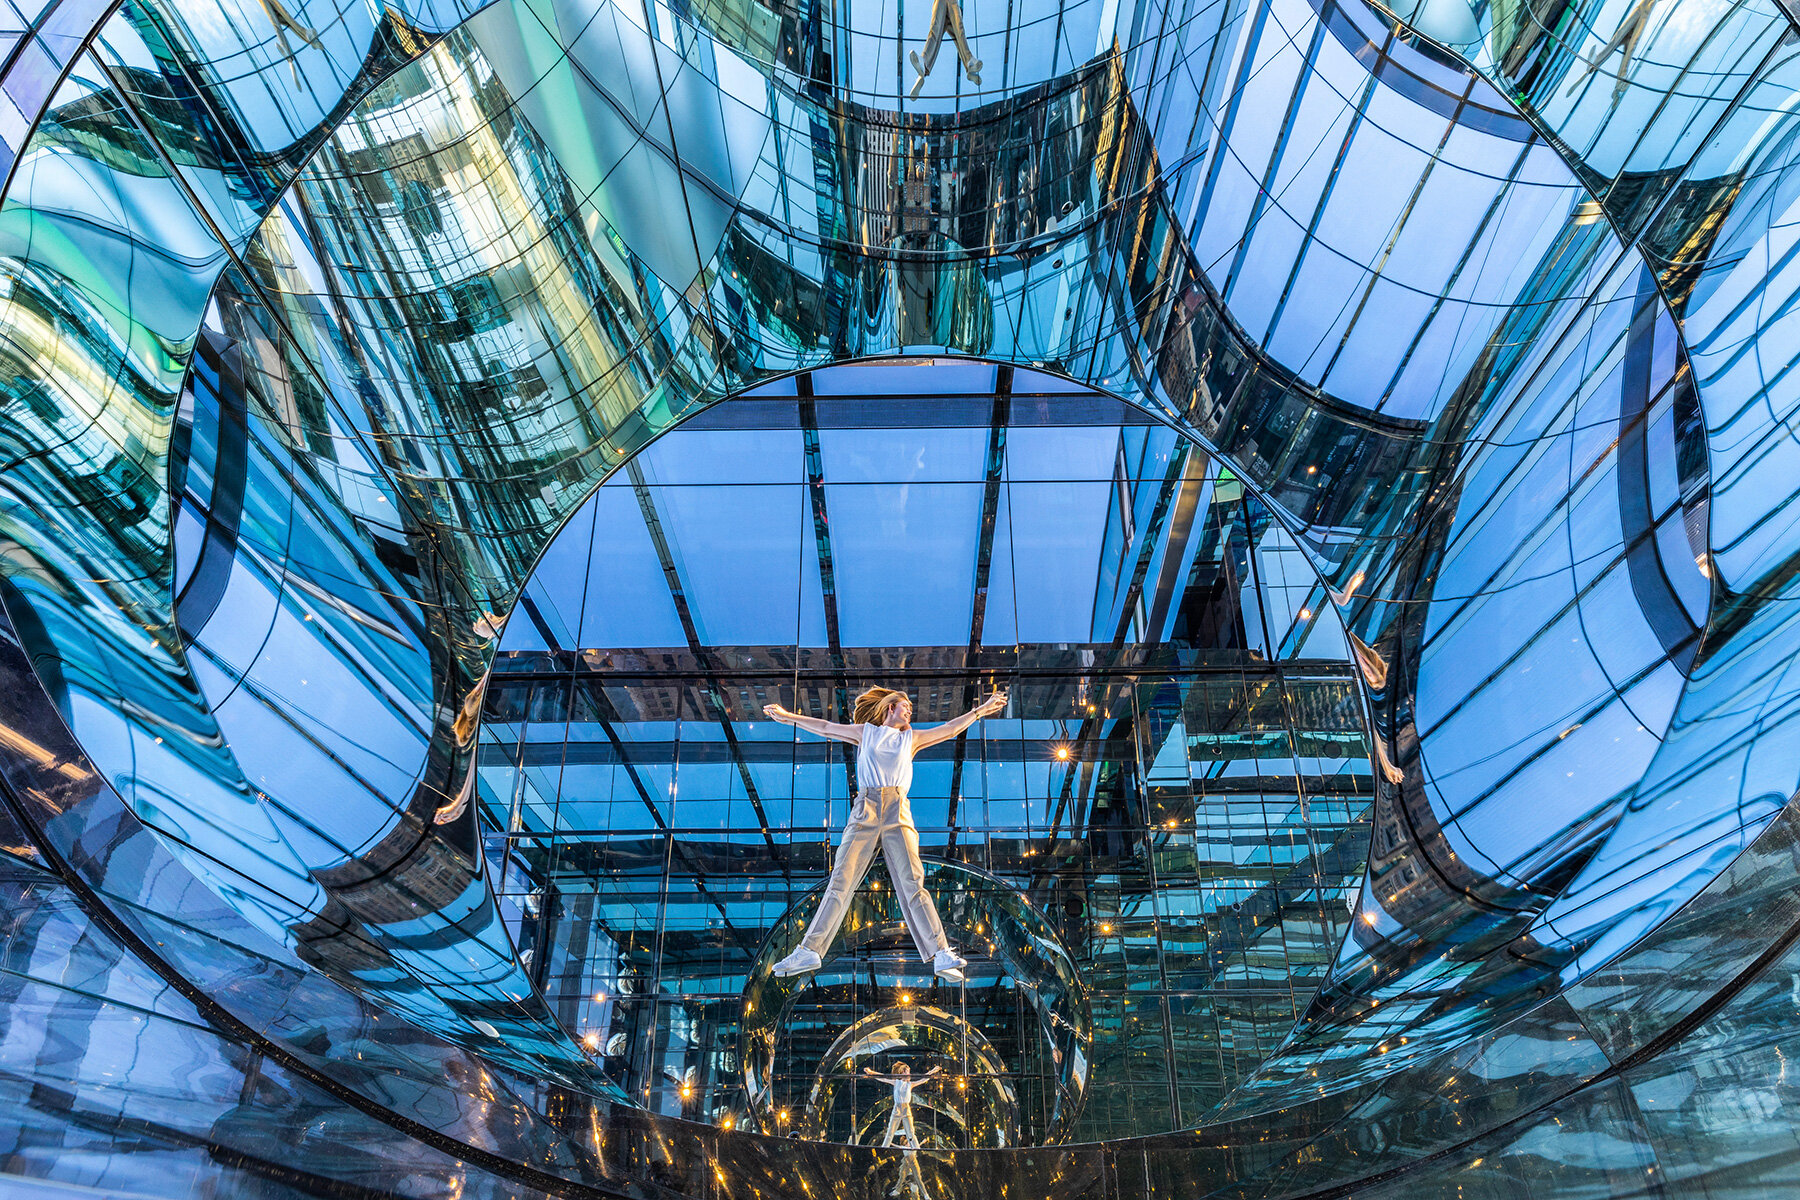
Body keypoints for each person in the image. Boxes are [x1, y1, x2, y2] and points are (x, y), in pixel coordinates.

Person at [763, 686, 1008, 981]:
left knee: (912, 882)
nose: (910, 711)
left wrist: (982, 709)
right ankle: (810, 950)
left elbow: (950, 728)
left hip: (897, 810)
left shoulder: (911, 739)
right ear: (889, 708)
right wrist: (788, 717)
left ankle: (941, 953)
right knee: (842, 879)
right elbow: (826, 727)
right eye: (905, 706)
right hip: (865, 808)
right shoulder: (866, 732)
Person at [864, 1063, 939, 1198]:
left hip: (906, 1109)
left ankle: (918, 1149)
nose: (909, 1073)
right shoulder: (897, 1082)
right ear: (901, 1072)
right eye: (907, 1071)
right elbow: (883, 1077)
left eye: (909, 1071)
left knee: (911, 1132)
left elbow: (924, 1078)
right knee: (890, 1133)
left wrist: (933, 1070)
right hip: (897, 1109)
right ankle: (883, 1149)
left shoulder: (910, 1084)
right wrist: (871, 1072)